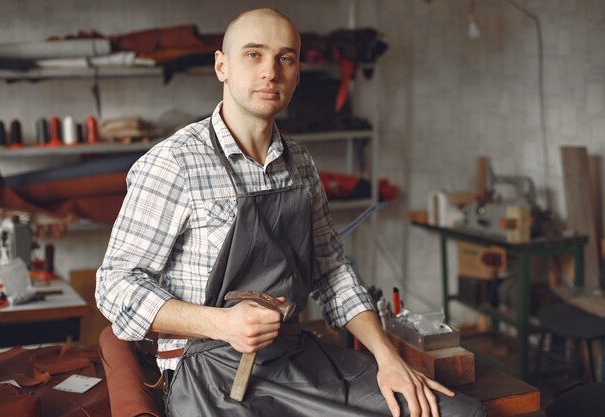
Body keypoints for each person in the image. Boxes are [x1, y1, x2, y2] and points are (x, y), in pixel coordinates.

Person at [96, 7, 487, 417]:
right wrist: (223, 324)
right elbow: (114, 285)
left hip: (294, 359)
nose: (271, 72)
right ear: (221, 66)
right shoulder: (174, 162)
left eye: (285, 58)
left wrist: (389, 359)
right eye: (253, 54)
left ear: (298, 74)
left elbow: (332, 271)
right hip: (205, 370)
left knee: (458, 412)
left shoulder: (300, 164)